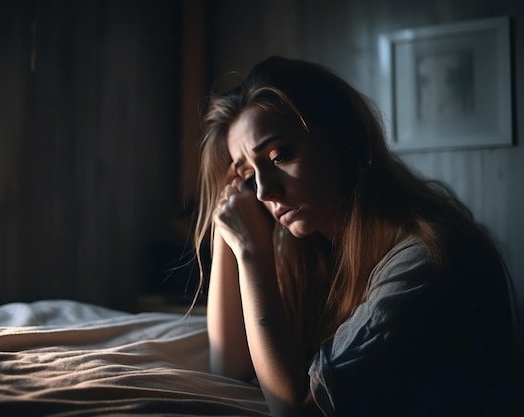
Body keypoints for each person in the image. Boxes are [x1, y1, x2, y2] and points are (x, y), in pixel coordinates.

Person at [192, 56, 518, 417]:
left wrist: (252, 254)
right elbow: (229, 369)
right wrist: (231, 218)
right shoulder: (310, 249)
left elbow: (294, 410)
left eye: (280, 154)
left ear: (342, 138)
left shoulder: (427, 258)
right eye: (249, 175)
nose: (264, 191)